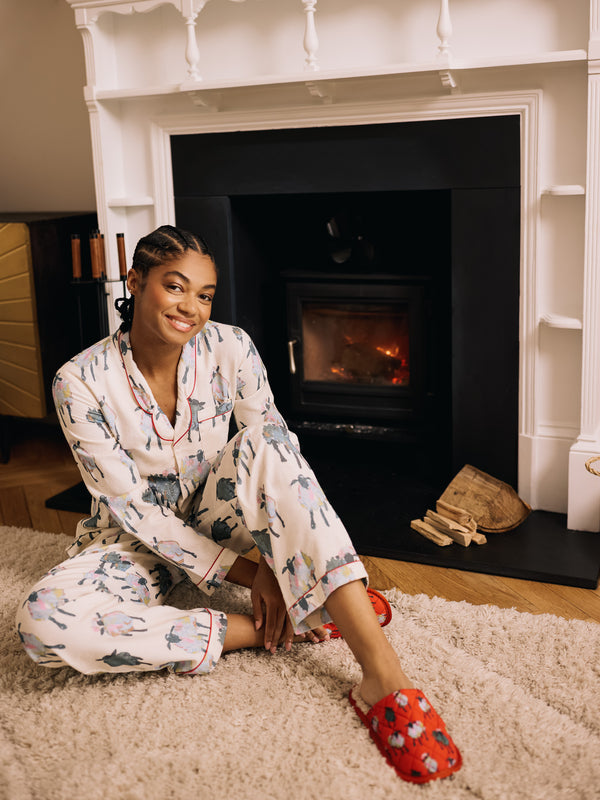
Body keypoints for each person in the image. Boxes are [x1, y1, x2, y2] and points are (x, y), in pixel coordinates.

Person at [16, 225, 461, 784]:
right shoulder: (79, 380)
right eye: (175, 287)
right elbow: (131, 508)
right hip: (131, 543)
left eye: (204, 295)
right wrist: (254, 574)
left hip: (221, 516)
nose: (191, 308)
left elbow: (276, 456)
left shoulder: (231, 346)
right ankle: (293, 623)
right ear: (135, 282)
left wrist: (263, 555)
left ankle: (384, 675)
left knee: (270, 442)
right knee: (41, 625)